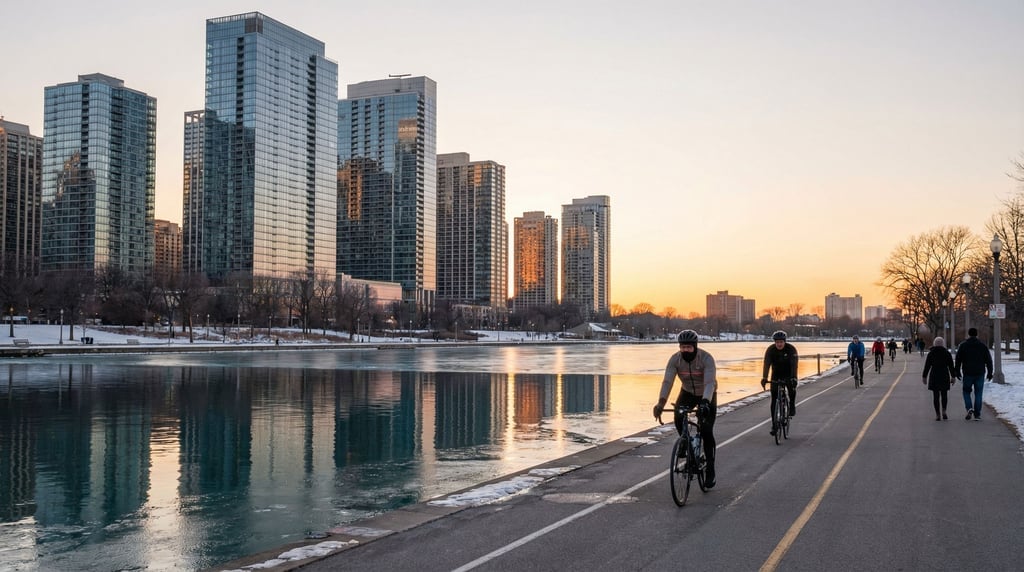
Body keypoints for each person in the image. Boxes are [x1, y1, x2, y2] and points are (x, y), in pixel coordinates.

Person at [653, 329, 718, 488]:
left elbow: (710, 382)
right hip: (687, 392)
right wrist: (661, 403)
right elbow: (667, 382)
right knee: (678, 415)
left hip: (707, 394)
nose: (685, 350)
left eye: (688, 347)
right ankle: (685, 441)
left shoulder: (706, 358)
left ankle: (710, 469)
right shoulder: (675, 360)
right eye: (682, 347)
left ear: (695, 346)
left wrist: (705, 402)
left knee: (707, 431)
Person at [761, 330, 798, 436]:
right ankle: (774, 425)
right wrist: (764, 377)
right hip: (776, 374)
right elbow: (766, 364)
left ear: (784, 341)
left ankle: (791, 404)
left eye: (781, 342)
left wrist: (794, 378)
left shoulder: (791, 349)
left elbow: (794, 365)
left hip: (788, 373)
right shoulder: (770, 350)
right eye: (777, 342)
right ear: (774, 342)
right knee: (774, 398)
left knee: (791, 388)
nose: (779, 344)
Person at [954, 327, 993, 421]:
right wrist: (990, 372)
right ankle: (977, 414)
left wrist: (957, 371)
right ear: (977, 334)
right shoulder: (982, 346)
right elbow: (988, 360)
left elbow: (958, 359)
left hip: (968, 372)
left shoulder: (963, 346)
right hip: (980, 372)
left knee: (966, 392)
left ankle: (969, 407)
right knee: (978, 393)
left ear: (968, 334)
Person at [922, 336, 957, 421]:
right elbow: (951, 366)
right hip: (944, 375)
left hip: (934, 375)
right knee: (944, 394)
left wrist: (924, 376)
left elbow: (927, 366)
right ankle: (944, 411)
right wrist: (953, 376)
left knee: (936, 396)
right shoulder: (947, 353)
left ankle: (938, 414)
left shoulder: (931, 353)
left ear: (934, 344)